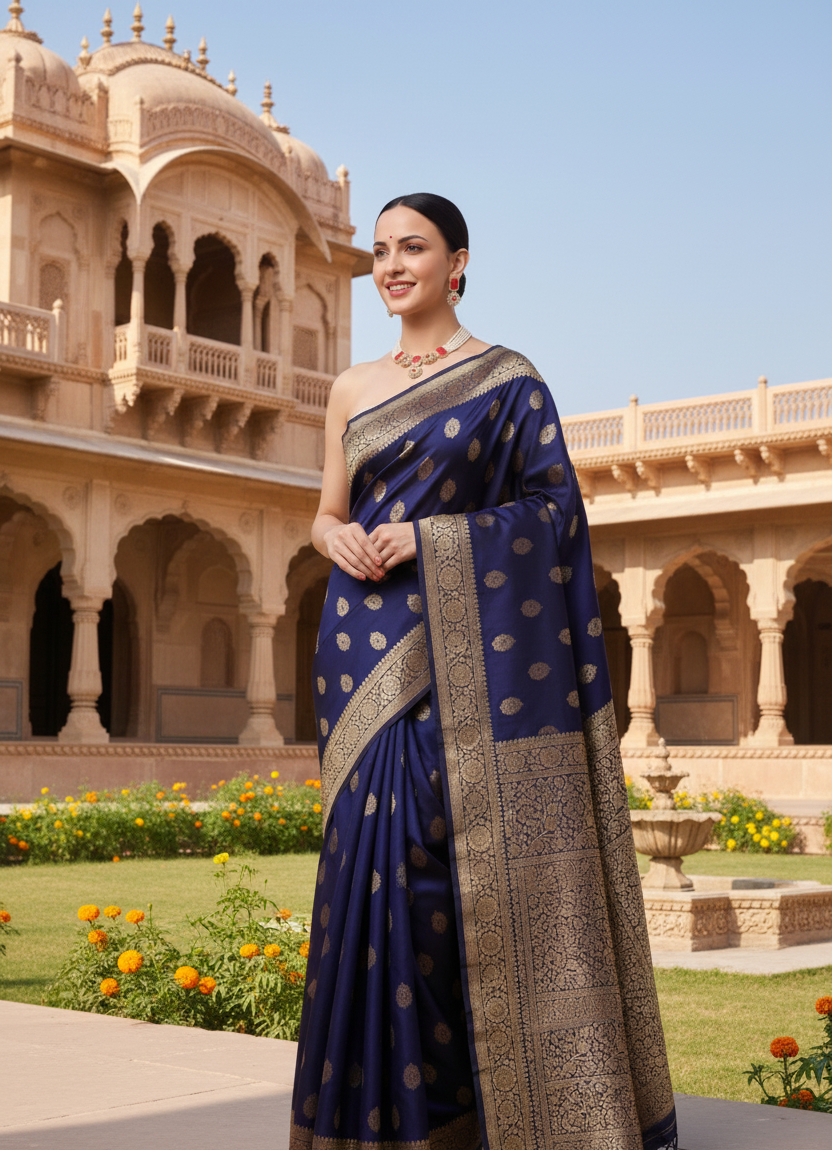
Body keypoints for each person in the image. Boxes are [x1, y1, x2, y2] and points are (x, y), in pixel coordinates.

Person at [289, 193, 678, 1150]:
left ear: (458, 263)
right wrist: (337, 539)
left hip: (461, 654)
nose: (389, 265)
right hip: (359, 645)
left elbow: (556, 515)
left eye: (411, 248)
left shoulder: (507, 382)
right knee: (362, 878)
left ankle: (462, 1119)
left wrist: (428, 537)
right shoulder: (351, 386)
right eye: (379, 251)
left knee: (439, 874)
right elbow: (324, 511)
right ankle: (367, 1122)